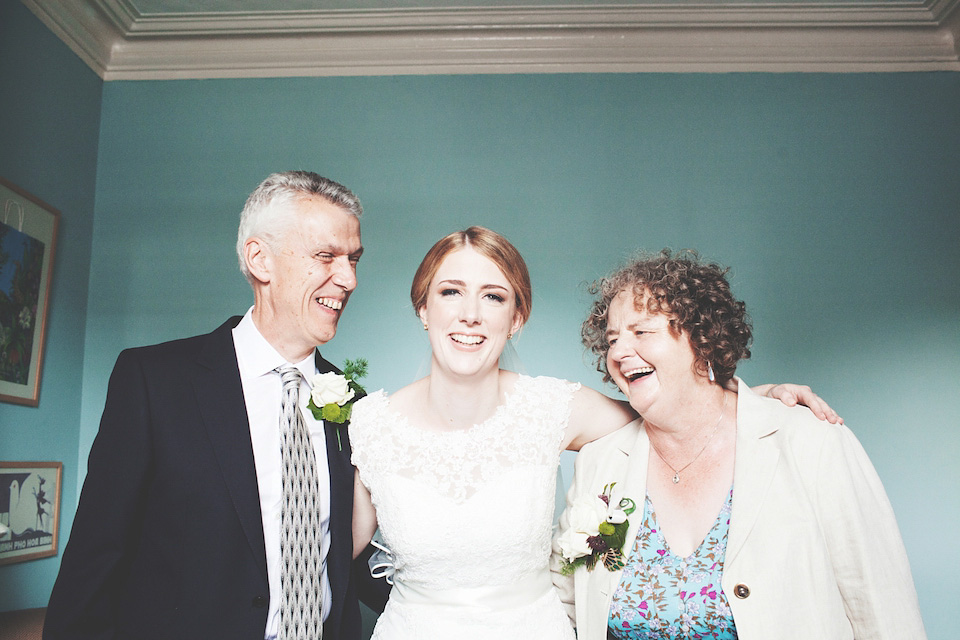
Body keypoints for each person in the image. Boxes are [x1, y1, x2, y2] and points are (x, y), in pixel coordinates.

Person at [350, 228, 839, 640]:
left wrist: (743, 396)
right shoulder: (370, 424)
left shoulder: (553, 407)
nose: (470, 314)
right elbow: (328, 556)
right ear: (423, 308)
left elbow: (672, 408)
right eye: (450, 291)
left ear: (516, 319)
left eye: (493, 296)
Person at [44, 171, 383, 640]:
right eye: (326, 256)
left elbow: (342, 556)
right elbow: (94, 560)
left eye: (353, 259)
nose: (348, 278)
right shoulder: (154, 381)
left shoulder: (356, 404)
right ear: (260, 259)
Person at [552, 250, 925, 639]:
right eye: (612, 339)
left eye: (641, 332)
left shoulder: (811, 442)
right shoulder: (599, 462)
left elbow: (884, 611)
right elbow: (561, 604)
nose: (618, 353)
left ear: (702, 337)